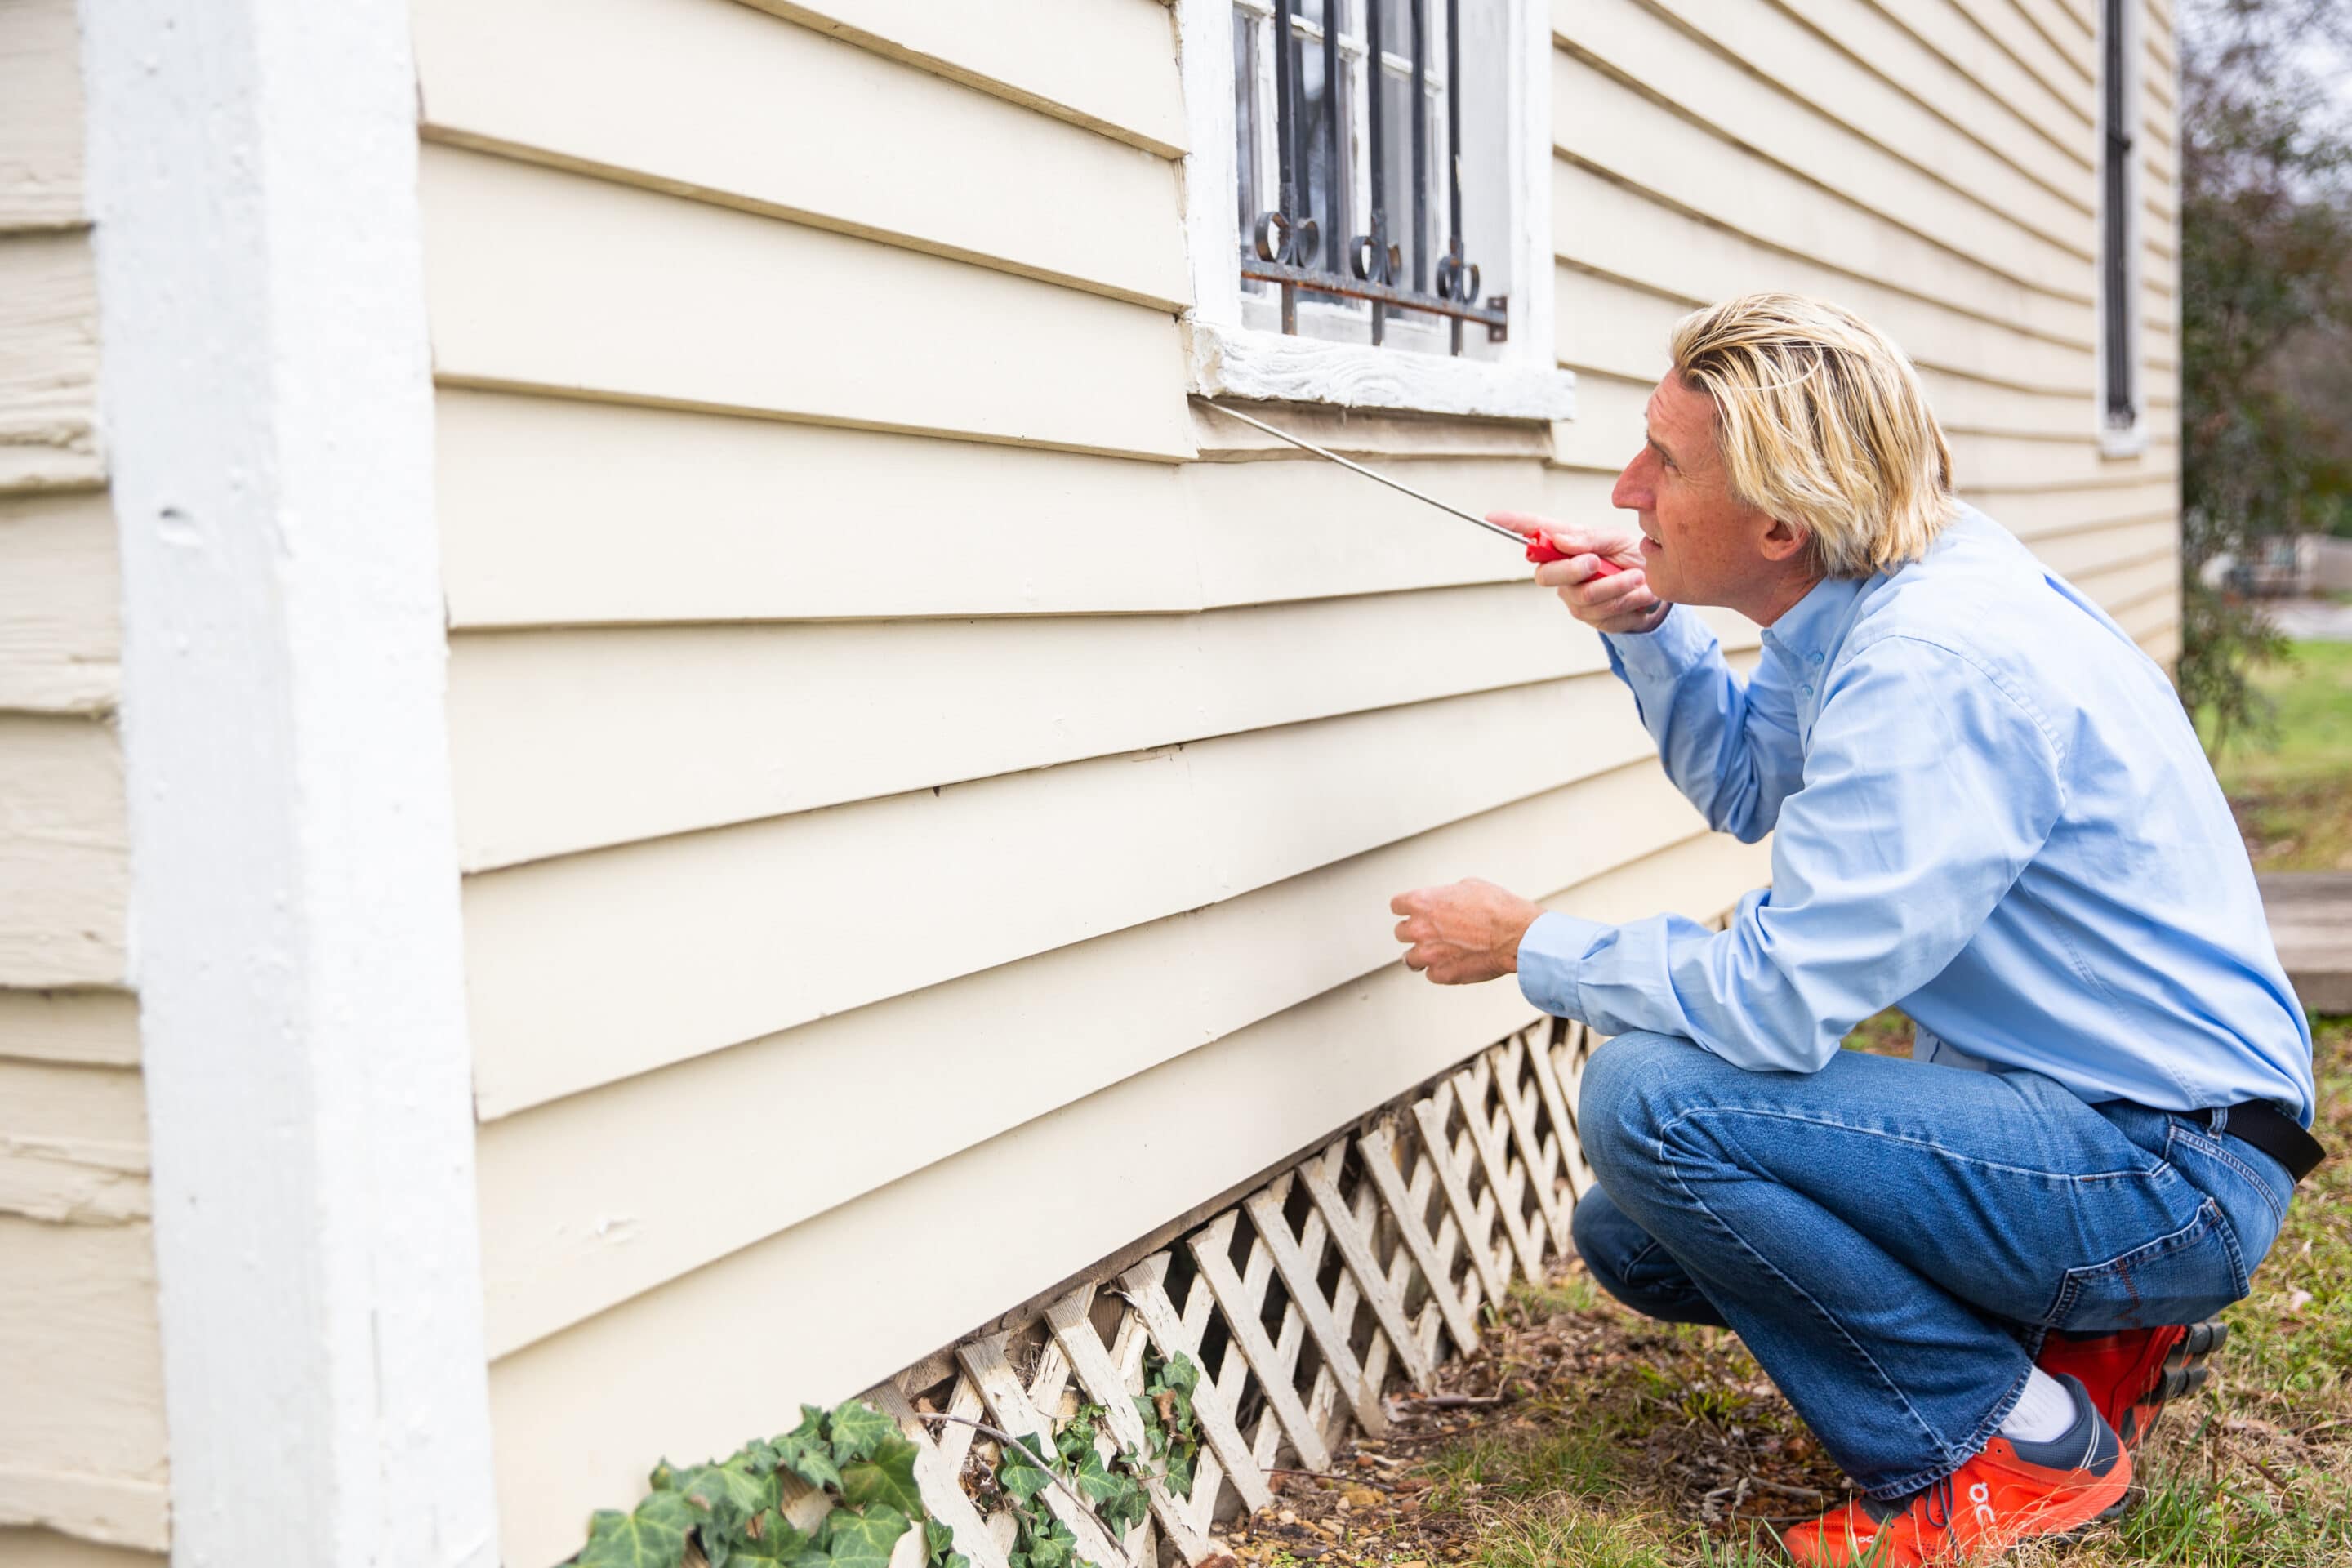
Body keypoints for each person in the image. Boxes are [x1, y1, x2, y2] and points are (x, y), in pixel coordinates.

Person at [1386, 294, 2323, 1566]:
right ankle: (2092, 1347)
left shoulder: (1933, 663)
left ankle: (2006, 1448)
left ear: (1779, 521)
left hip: (2166, 1168)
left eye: (1665, 463)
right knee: (1635, 1235)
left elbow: (1776, 1005)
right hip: (2107, 1127)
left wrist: (1530, 942)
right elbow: (1752, 789)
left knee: (1652, 1104)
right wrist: (1654, 634)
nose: (1627, 489)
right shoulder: (1865, 589)